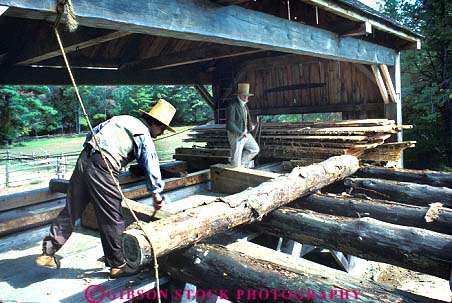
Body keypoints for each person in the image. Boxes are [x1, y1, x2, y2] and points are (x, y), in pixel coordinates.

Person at [35, 99, 176, 278]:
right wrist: (156, 193)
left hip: (84, 159)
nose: (161, 133)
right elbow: (151, 164)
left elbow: (90, 136)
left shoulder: (121, 119)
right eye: (162, 129)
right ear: (155, 123)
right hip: (103, 166)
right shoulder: (143, 134)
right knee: (111, 217)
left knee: (71, 210)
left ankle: (47, 253)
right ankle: (118, 265)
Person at [226, 83, 260, 168]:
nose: (246, 97)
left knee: (255, 149)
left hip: (245, 133)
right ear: (239, 95)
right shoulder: (232, 106)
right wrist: (240, 132)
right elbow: (230, 124)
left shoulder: (245, 106)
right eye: (244, 95)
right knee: (236, 165)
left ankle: (239, 162)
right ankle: (235, 165)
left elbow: (246, 119)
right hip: (235, 135)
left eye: (247, 96)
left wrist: (250, 126)